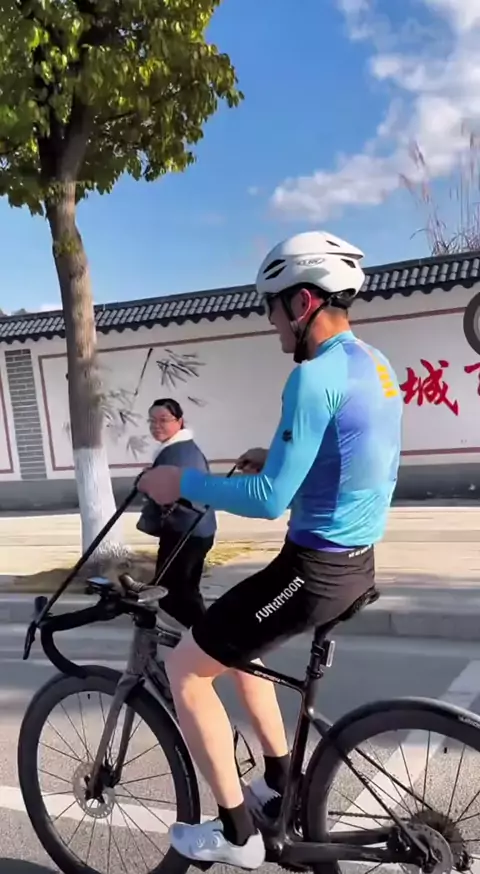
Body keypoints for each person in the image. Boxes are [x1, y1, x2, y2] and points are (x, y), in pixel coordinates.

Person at [138, 231, 403, 869]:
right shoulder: (374, 362)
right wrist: (279, 457)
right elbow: (355, 456)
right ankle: (281, 778)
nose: (270, 321)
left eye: (272, 306)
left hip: (314, 569)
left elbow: (265, 499)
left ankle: (237, 835)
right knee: (232, 645)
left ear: (303, 303)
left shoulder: (312, 378)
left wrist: (181, 484)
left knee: (185, 669)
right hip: (353, 558)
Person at [137, 397, 216, 630]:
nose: (156, 426)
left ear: (179, 421)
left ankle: (207, 639)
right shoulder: (180, 448)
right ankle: (204, 637)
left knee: (174, 594)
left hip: (186, 531)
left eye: (163, 420)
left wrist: (145, 481)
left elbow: (164, 491)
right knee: (182, 592)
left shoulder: (177, 452)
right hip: (194, 529)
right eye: (152, 421)